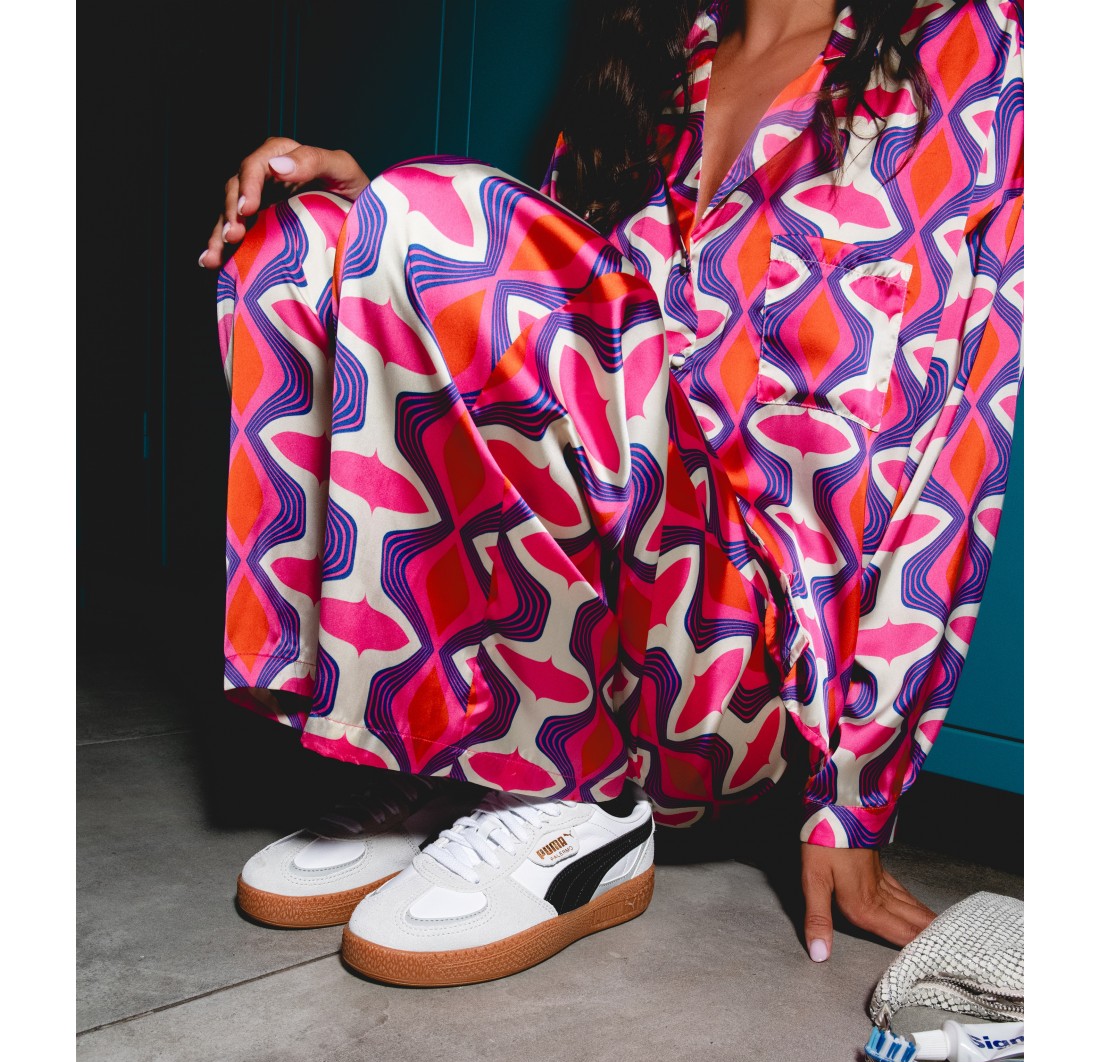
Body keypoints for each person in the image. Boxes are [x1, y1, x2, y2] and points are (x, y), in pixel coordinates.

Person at [198, 0, 1024, 986]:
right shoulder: (656, 63)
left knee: (428, 212)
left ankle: (584, 795)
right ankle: (452, 747)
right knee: (305, 243)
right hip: (588, 611)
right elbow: (542, 378)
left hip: (736, 666)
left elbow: (960, 449)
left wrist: (854, 798)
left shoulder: (972, 42)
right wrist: (368, 225)